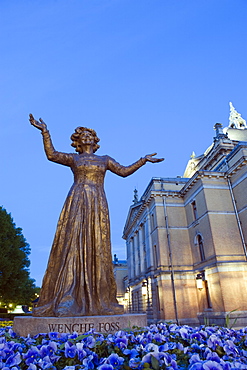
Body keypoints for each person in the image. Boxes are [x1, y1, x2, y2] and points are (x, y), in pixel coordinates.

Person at [29, 114, 164, 317]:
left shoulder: (104, 160)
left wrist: (143, 160)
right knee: (73, 243)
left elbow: (124, 171)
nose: (87, 137)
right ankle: (69, 297)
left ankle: (101, 299)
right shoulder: (74, 158)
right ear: (78, 141)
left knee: (97, 246)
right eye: (83, 135)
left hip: (98, 202)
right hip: (77, 200)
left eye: (90, 134)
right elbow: (52, 155)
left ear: (95, 140)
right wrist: (45, 132)